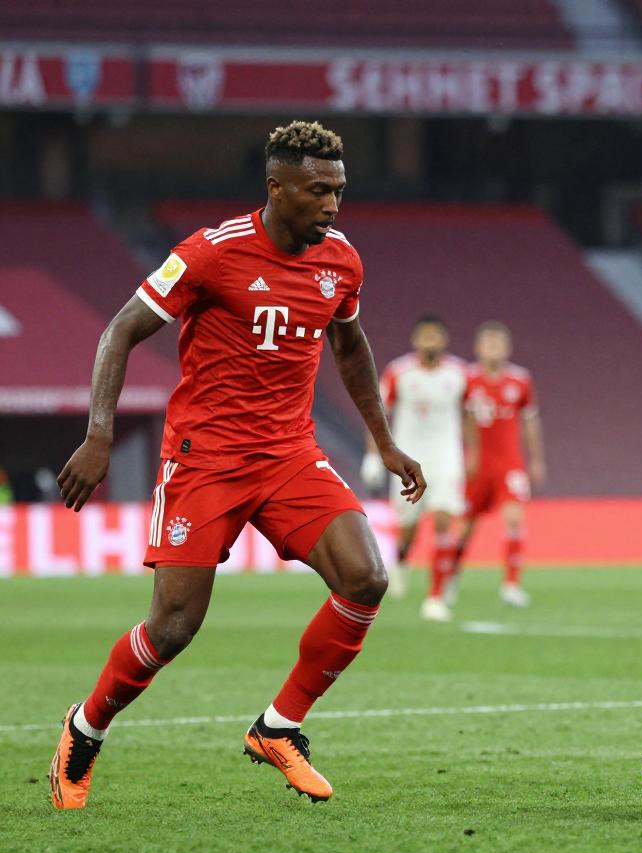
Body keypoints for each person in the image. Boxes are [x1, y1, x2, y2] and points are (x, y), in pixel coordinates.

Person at [50, 121, 426, 810]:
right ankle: (86, 727)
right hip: (206, 461)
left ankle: (278, 727)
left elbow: (350, 347)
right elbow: (120, 330)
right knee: (172, 628)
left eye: (339, 191)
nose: (332, 205)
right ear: (277, 188)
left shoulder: (341, 260)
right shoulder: (210, 253)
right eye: (317, 191)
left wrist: (383, 441)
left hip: (290, 456)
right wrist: (99, 433)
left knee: (366, 578)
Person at [361, 316, 467, 622]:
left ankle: (435, 597)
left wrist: (472, 454)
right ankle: (402, 558)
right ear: (415, 340)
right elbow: (378, 413)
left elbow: (469, 415)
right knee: (409, 527)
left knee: (444, 520)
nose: (430, 341)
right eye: (425, 336)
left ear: (444, 340)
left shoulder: (459, 373)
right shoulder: (400, 373)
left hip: (446, 457)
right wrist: (373, 455)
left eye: (435, 336)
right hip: (408, 458)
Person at [450, 321, 546, 608]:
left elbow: (530, 421)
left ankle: (512, 585)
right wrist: (464, 455)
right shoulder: (466, 379)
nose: (494, 348)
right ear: (478, 347)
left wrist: (536, 460)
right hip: (477, 465)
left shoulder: (520, 380)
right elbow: (458, 419)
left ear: (508, 348)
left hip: (509, 463)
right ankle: (450, 577)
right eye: (489, 343)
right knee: (466, 526)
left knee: (514, 519)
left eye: (499, 343)